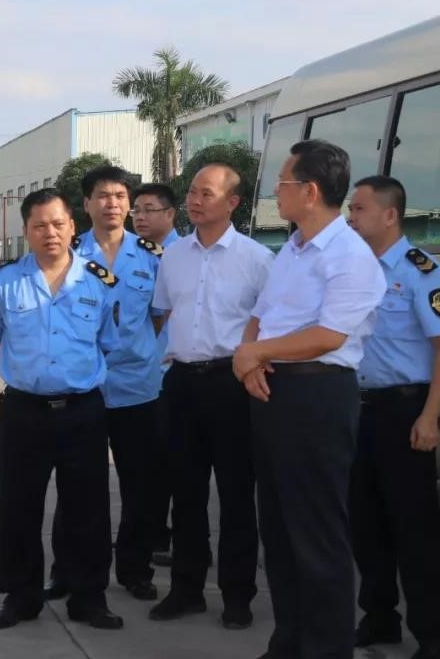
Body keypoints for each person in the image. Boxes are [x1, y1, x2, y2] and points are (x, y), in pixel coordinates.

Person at [234, 139, 386, 659]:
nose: (275, 193)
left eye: (282, 183)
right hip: (274, 390)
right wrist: (251, 358)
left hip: (318, 395)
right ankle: (289, 643)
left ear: (311, 191)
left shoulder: (350, 256)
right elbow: (261, 314)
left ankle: (326, 649)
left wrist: (254, 353)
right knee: (278, 531)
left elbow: (328, 336)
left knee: (317, 534)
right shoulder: (293, 250)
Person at [0, 188, 123, 631]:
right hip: (24, 412)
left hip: (83, 410)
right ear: (26, 231)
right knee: (19, 506)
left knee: (88, 508)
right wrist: (31, 372)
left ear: (72, 226)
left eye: (58, 223)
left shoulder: (98, 280)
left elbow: (106, 341)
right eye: (39, 225)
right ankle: (21, 597)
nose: (50, 233)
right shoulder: (5, 282)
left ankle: (88, 597)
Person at [149, 164, 272, 629]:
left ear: (232, 202)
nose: (195, 200)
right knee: (185, 493)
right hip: (182, 383)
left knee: (237, 495)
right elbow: (165, 312)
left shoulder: (257, 259)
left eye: (207, 193)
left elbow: (273, 323)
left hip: (232, 385)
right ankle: (186, 589)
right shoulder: (173, 256)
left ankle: (238, 596)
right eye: (192, 192)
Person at [345, 175, 440, 659]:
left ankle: (436, 637)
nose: (350, 217)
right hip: (357, 409)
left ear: (389, 215)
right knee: (365, 522)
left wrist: (430, 415)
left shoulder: (421, 271)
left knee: (415, 527)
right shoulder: (354, 268)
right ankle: (379, 617)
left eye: (359, 209)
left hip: (404, 410)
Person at [48, 165, 165, 602]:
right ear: (86, 204)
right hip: (84, 389)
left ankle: (135, 569)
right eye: (102, 195)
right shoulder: (69, 253)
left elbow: (159, 315)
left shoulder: (152, 256)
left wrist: (136, 349)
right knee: (77, 486)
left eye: (119, 196)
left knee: (141, 486)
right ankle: (67, 571)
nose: (111, 203)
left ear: (128, 204)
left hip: (138, 387)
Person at [131, 182, 181, 567]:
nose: (140, 217)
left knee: (175, 462)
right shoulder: (133, 254)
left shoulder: (185, 255)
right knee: (149, 462)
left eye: (149, 209)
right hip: (145, 378)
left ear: (170, 214)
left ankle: (170, 537)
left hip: (177, 373)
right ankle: (152, 534)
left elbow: (164, 315)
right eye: (137, 210)